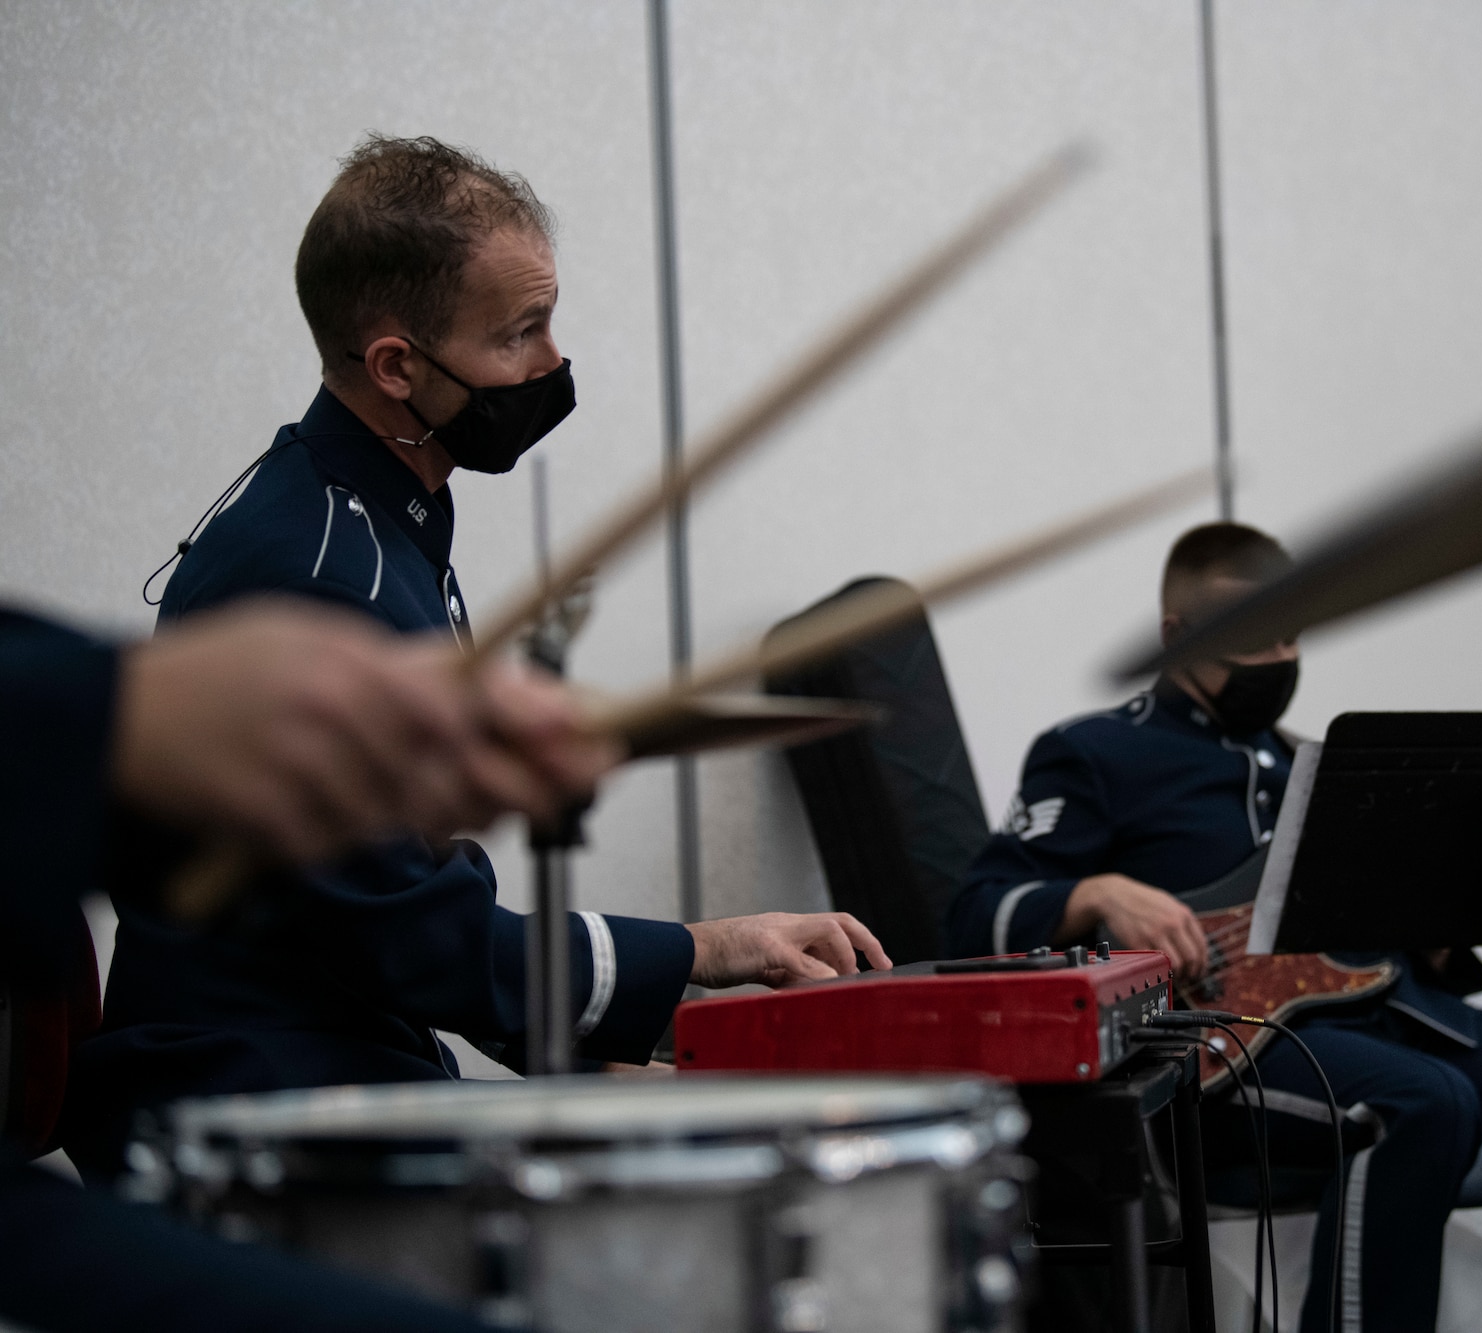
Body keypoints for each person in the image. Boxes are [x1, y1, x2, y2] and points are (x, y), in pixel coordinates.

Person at [62, 135, 890, 1179]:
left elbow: (402, 919)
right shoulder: (317, 571)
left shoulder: (373, 520)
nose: (552, 362)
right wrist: (706, 949)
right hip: (244, 1114)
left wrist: (609, 1067)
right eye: (519, 332)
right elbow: (412, 936)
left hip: (347, 1071)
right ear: (396, 365)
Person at [947, 522, 1482, 1333]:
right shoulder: (1095, 752)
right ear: (1179, 636)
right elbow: (975, 912)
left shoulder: (1316, 766)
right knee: (1424, 1103)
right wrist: (1098, 892)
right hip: (1229, 1045)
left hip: (1396, 1012)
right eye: (1254, 638)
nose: (1281, 656)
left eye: (1293, 633)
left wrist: (1434, 924)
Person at [1, 598, 605, 1331]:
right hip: (243, 1107)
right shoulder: (309, 555)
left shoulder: (390, 555)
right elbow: (409, 935)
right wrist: (113, 711)